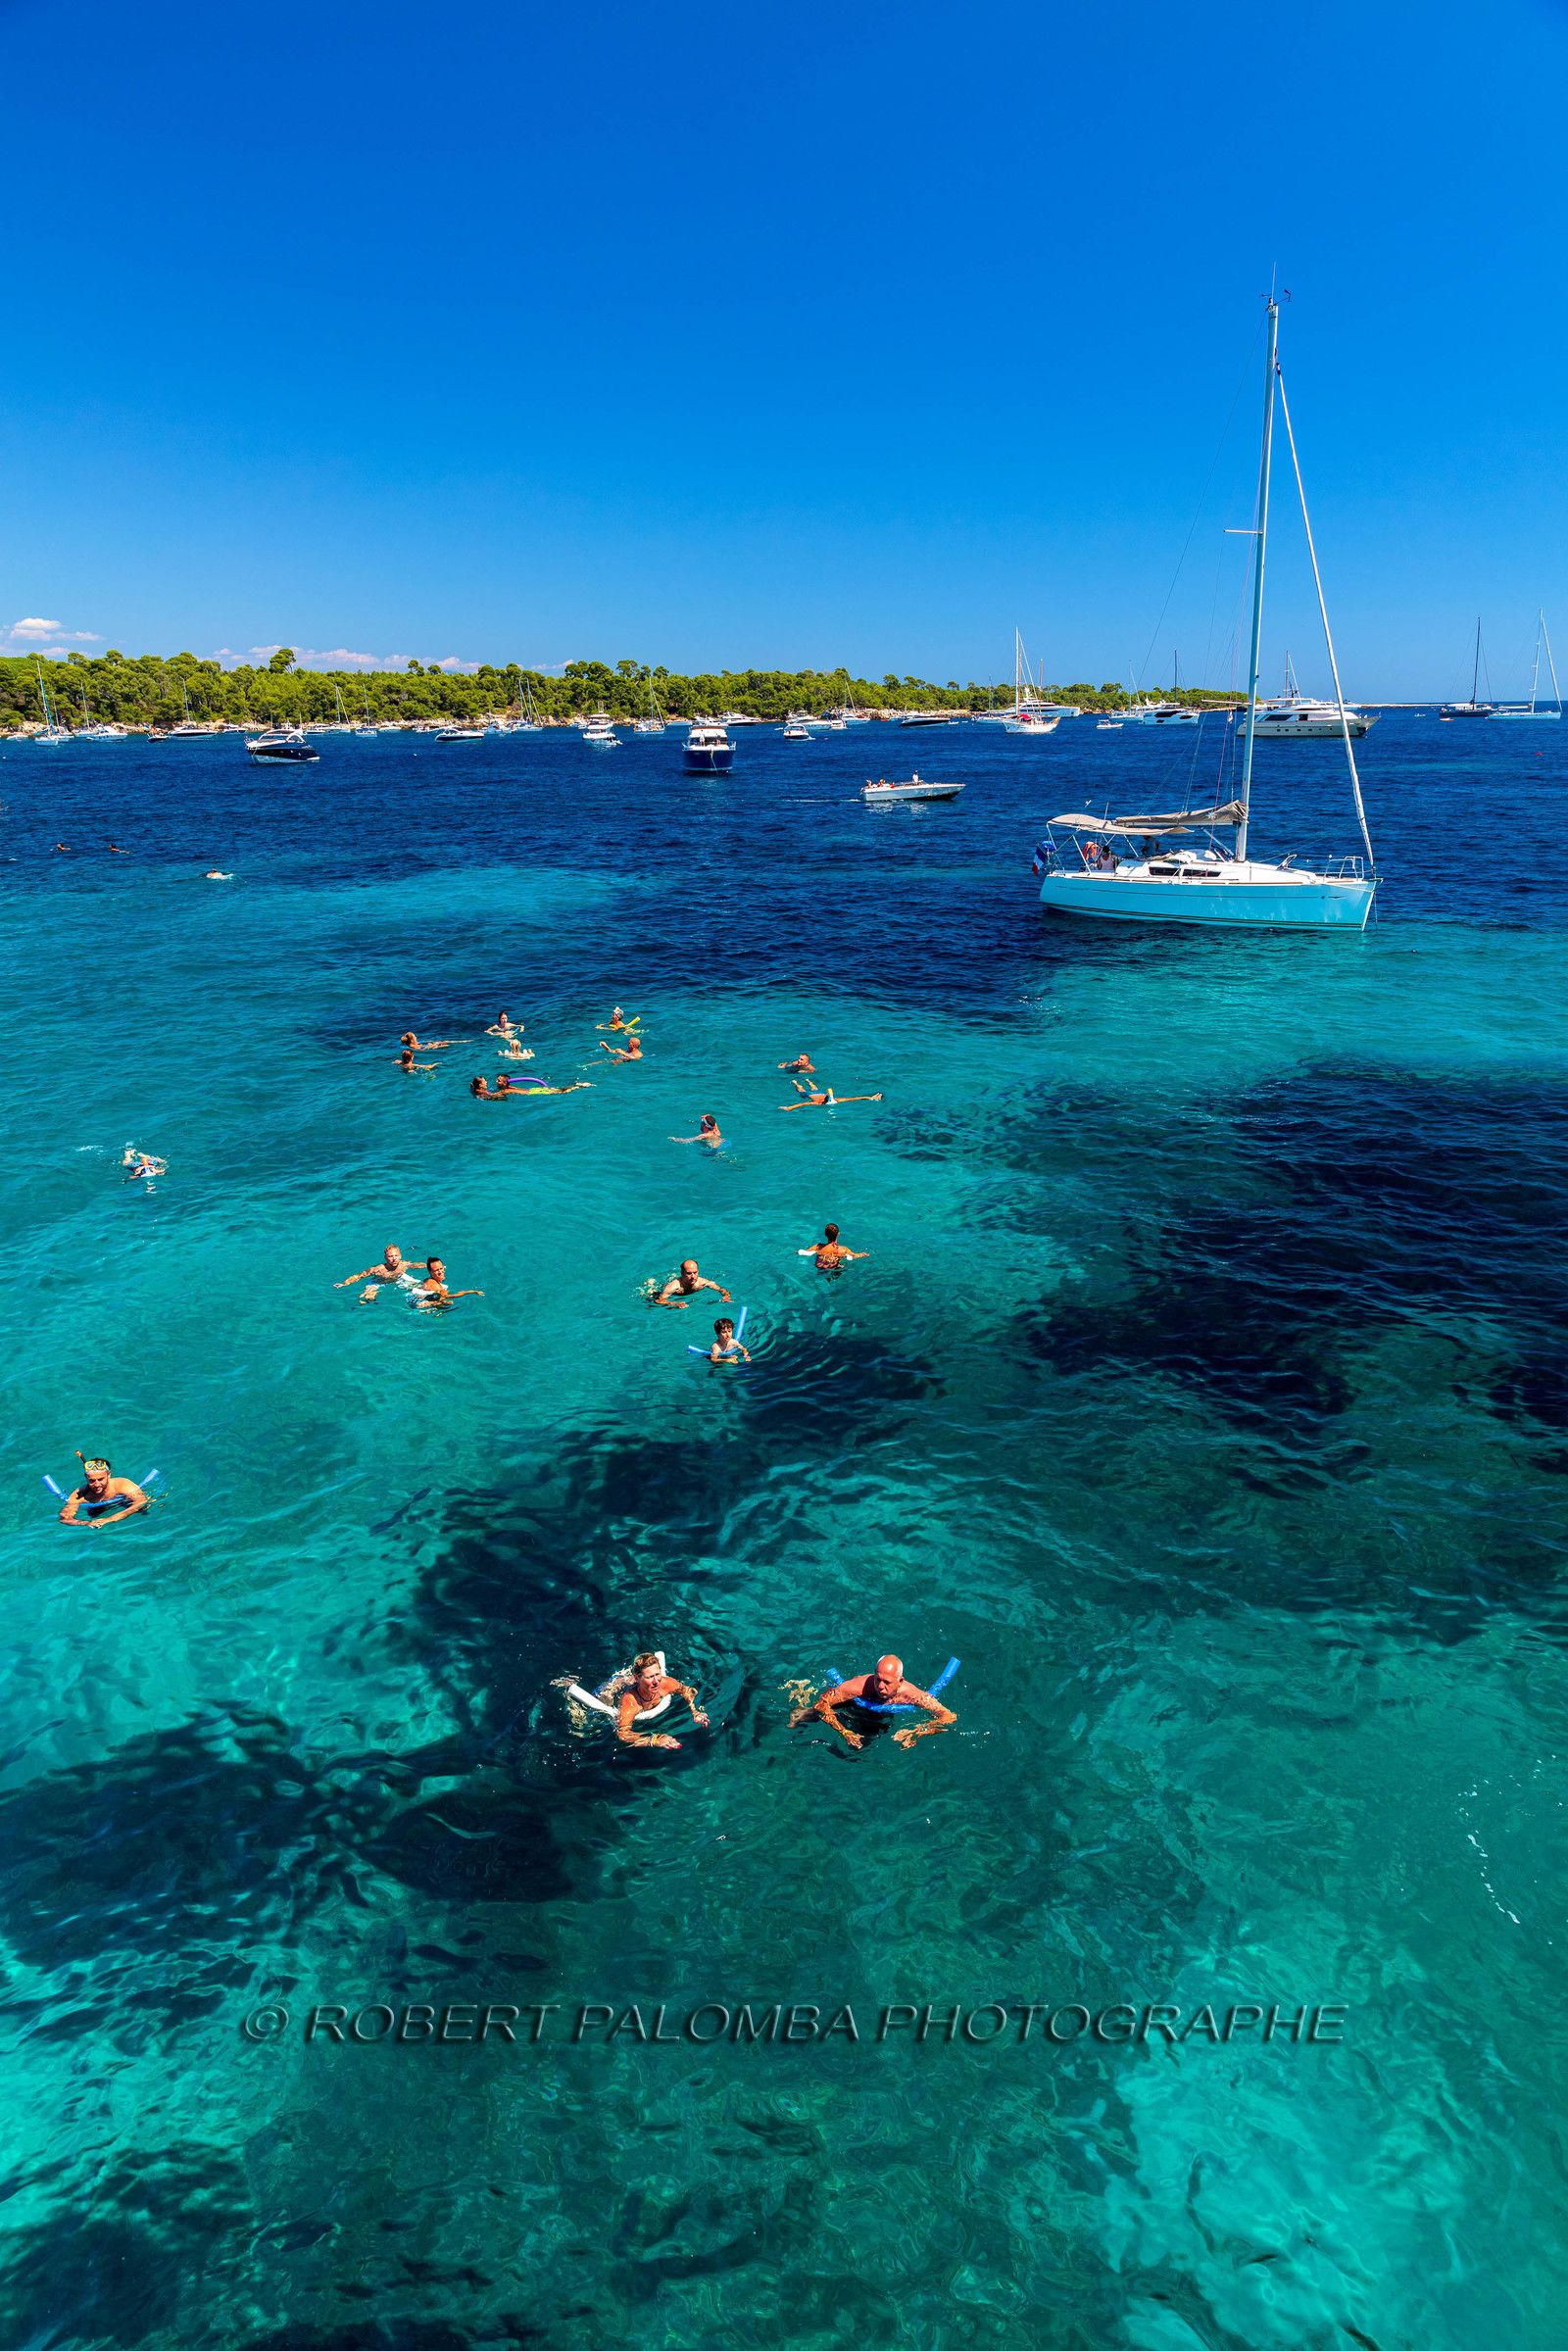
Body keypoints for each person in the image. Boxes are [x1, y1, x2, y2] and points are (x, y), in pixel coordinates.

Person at [792, 1654, 956, 1752]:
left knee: (858, 1749)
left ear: (900, 1681)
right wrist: (845, 1732)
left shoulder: (912, 1696)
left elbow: (949, 1717)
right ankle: (801, 1698)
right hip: (856, 1703)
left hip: (881, 1714)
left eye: (886, 1682)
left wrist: (916, 1732)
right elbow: (822, 1704)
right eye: (877, 1679)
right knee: (808, 1715)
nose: (879, 1686)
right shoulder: (859, 1687)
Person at [615, 1653, 709, 1750]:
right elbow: (623, 1735)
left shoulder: (665, 1683)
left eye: (657, 1674)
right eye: (650, 1677)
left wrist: (695, 1711)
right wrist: (654, 1740)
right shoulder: (631, 1701)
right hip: (618, 1691)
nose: (656, 1681)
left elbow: (687, 1691)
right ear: (637, 1678)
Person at [59, 1458, 150, 1529]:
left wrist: (110, 1519)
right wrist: (86, 1523)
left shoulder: (123, 1485)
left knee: (145, 1509)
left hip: (121, 1501)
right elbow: (65, 1519)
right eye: (92, 1481)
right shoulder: (80, 1495)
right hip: (94, 1507)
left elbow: (142, 1502)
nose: (97, 1484)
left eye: (100, 1479)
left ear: (109, 1474)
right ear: (86, 1477)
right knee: (94, 1515)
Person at [336, 1246, 426, 1302]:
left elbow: (418, 1265)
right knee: (366, 1298)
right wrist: (344, 1284)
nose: (394, 1259)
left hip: (398, 1279)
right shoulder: (378, 1269)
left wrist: (432, 1267)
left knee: (422, 1287)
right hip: (378, 1283)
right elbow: (359, 1276)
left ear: (400, 1256)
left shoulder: (404, 1265)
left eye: (396, 1256)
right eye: (390, 1256)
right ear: (386, 1258)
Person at [409, 1256, 483, 1310]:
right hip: (419, 1304)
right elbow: (449, 1296)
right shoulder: (437, 1287)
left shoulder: (427, 1280)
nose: (440, 1272)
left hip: (415, 1297)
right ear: (430, 1272)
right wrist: (470, 1292)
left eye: (441, 1268)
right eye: (436, 1270)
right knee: (450, 1303)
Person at [654, 1260, 730, 1308]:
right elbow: (659, 1300)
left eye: (695, 1272)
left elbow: (721, 1289)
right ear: (682, 1274)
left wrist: (726, 1295)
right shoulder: (673, 1287)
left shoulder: (704, 1283)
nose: (693, 1276)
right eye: (689, 1273)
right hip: (665, 1292)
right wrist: (675, 1304)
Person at [797, 1222, 866, 1270]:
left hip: (820, 1267)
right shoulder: (843, 1249)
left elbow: (804, 1252)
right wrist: (862, 1255)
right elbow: (854, 1256)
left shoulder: (818, 1247)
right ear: (838, 1234)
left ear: (825, 1234)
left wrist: (797, 1251)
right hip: (835, 1267)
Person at [779, 1089, 882, 1111]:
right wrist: (790, 1108)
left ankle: (807, 1080)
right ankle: (796, 1083)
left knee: (813, 1086)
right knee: (801, 1090)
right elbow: (803, 1103)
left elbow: (854, 1098)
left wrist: (870, 1098)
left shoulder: (836, 1100)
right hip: (811, 1094)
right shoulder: (818, 1103)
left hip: (819, 1092)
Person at [401, 1031, 467, 1052]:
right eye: (415, 1037)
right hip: (429, 1048)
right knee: (445, 1045)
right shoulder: (412, 1046)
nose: (416, 1037)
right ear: (412, 1040)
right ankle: (459, 1044)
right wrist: (430, 1046)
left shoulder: (414, 1044)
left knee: (443, 1042)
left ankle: (461, 1042)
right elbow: (421, 1049)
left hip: (428, 1046)